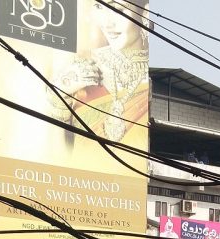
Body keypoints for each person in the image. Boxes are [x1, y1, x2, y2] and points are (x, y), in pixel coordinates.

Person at [50, 0, 151, 145]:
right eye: (98, 7)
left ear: (146, 13)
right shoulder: (82, 65)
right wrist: (59, 95)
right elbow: (55, 146)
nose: (106, 23)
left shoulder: (157, 80)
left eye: (117, 9)